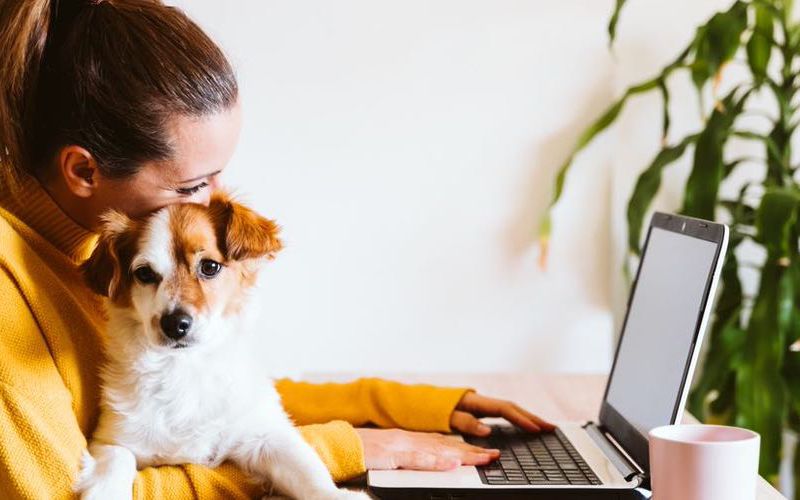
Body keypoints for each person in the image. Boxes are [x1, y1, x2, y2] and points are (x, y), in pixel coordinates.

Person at [0, 0, 554, 498]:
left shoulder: (101, 249)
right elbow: (54, 491)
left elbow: (209, 400)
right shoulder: (17, 295)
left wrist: (410, 408)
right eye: (192, 185)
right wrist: (339, 452)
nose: (211, 204)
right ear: (83, 170)